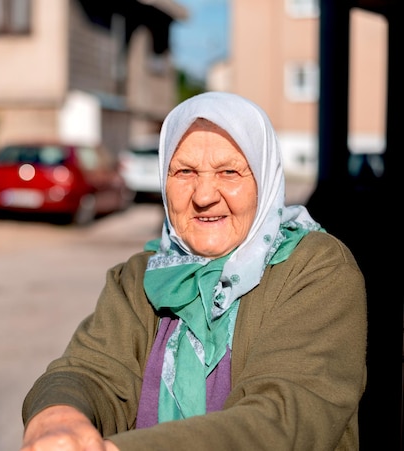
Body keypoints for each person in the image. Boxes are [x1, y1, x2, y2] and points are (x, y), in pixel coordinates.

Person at [20, 92, 367, 450]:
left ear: (264, 178)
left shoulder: (316, 268)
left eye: (229, 171)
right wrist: (57, 418)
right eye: (184, 171)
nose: (203, 196)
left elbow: (286, 417)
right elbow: (92, 371)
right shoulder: (141, 277)